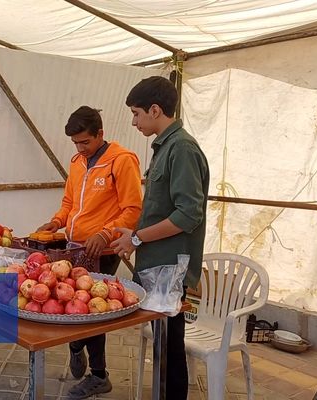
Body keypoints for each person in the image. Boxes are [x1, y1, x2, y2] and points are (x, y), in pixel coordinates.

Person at [111, 76, 210, 400]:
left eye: (137, 113)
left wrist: (137, 238)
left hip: (171, 269)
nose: (134, 121)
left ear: (156, 109)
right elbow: (161, 208)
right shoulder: (166, 147)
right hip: (158, 265)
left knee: (169, 349)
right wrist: (135, 232)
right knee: (164, 347)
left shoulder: (181, 148)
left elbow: (187, 214)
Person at [37, 105, 143, 399]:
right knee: (71, 301)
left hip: (105, 250)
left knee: (94, 310)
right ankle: (75, 345)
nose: (81, 148)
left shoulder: (122, 161)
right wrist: (57, 221)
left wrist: (105, 232)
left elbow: (133, 209)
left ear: (100, 134)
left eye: (85, 142)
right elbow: (70, 202)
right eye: (75, 143)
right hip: (74, 246)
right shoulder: (77, 162)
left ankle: (99, 376)